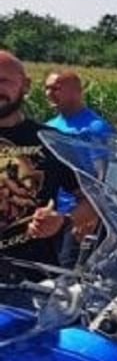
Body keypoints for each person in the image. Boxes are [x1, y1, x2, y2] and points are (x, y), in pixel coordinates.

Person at [0, 51, 93, 270]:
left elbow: (92, 199)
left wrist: (63, 220)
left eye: (3, 80)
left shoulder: (53, 141)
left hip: (30, 276)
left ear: (26, 85)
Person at [43, 70, 115, 265]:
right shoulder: (48, 127)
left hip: (77, 216)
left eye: (56, 88)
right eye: (47, 88)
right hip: (51, 215)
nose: (49, 93)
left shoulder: (95, 128)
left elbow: (104, 176)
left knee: (69, 274)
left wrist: (91, 214)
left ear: (76, 91)